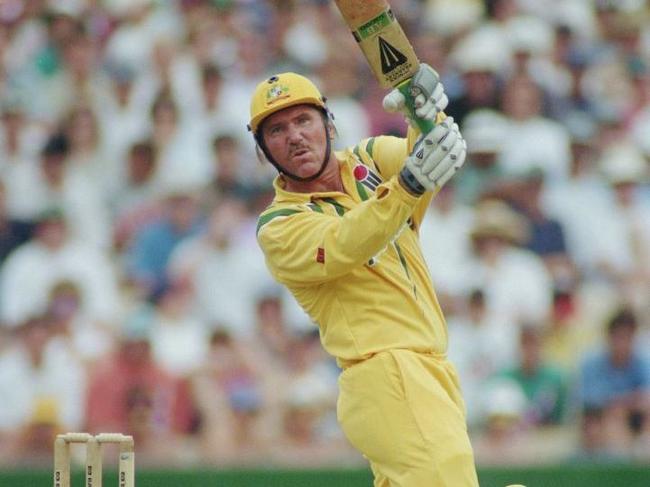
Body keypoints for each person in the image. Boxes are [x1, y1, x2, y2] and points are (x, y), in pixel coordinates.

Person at [250, 67, 478, 486]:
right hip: (385, 373)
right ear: (264, 151)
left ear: (329, 123)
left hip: (432, 367)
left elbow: (436, 154)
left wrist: (427, 114)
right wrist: (407, 185)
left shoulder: (371, 158)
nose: (295, 136)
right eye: (277, 130)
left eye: (303, 120)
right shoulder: (278, 225)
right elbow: (345, 242)